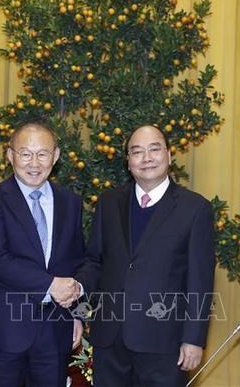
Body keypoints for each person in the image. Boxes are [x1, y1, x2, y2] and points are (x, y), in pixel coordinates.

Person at [75, 124, 216, 387]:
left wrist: (194, 338)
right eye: (137, 152)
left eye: (154, 149)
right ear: (128, 161)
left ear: (169, 155)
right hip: (110, 341)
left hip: (165, 344)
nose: (146, 158)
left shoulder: (195, 208)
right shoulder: (108, 202)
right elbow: (95, 261)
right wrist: (77, 307)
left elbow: (200, 280)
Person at [0, 121, 84, 386]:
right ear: (10, 156)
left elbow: (76, 261)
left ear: (55, 156)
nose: (34, 163)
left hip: (56, 330)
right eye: (25, 154)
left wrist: (77, 313)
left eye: (42, 154)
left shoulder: (70, 202)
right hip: (4, 330)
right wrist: (50, 285)